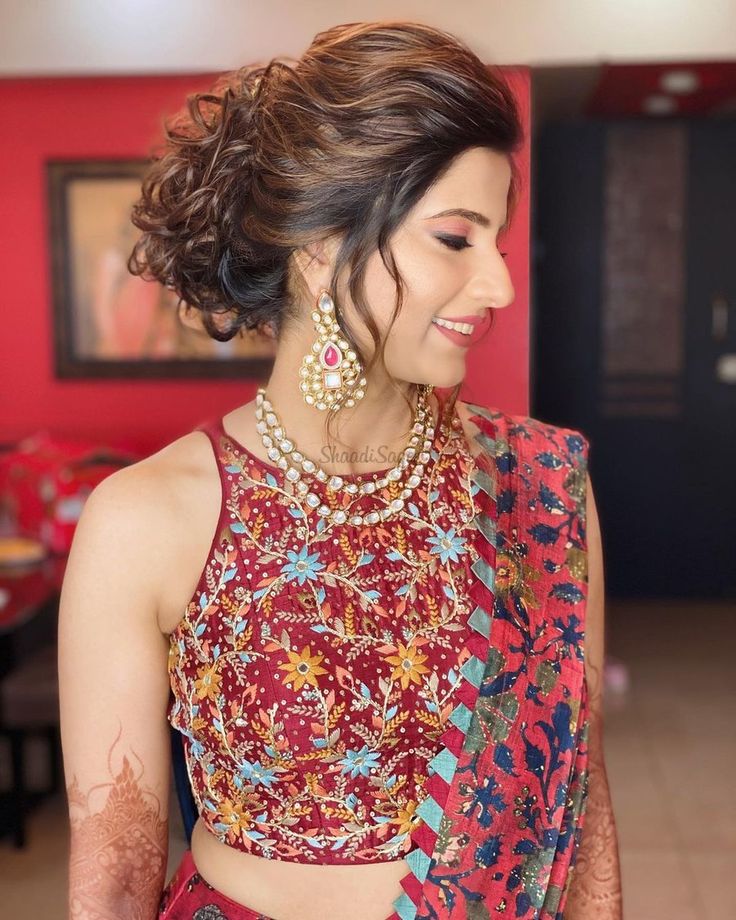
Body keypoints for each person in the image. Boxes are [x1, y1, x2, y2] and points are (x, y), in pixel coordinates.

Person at [58, 20, 623, 920]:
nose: (500, 287)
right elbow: (118, 871)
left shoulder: (542, 485)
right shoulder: (148, 521)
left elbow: (576, 805)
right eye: (454, 238)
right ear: (321, 247)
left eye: (499, 243)